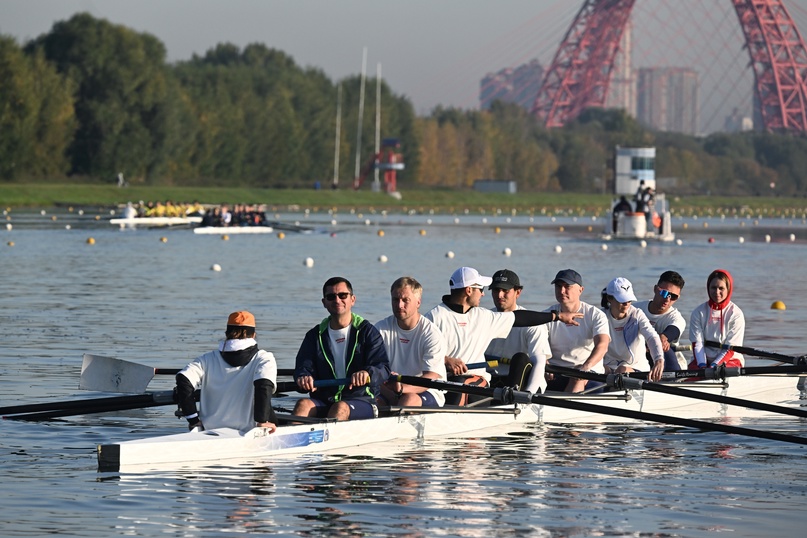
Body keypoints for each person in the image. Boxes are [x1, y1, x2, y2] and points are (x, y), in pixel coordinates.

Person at [424, 266, 580, 405]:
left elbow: (520, 318)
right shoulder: (433, 317)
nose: (485, 295)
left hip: (476, 380)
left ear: (518, 292)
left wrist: (556, 316)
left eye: (505, 290)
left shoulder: (483, 316)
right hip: (444, 379)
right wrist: (445, 360)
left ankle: (512, 403)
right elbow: (418, 352)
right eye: (482, 289)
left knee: (461, 382)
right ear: (469, 290)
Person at [293, 277, 390, 420]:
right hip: (326, 399)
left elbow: (383, 368)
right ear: (324, 302)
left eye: (343, 295)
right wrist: (304, 377)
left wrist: (367, 373)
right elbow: (303, 366)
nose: (337, 300)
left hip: (362, 400)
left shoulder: (367, 332)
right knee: (303, 405)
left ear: (353, 299)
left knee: (340, 408)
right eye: (331, 297)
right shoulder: (314, 336)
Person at [175, 311, 278, 432]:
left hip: (208, 432)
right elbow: (264, 385)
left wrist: (193, 419)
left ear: (227, 334)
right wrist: (262, 421)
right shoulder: (264, 358)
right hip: (248, 432)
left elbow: (183, 379)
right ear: (254, 335)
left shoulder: (207, 359)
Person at [375, 276, 447, 407]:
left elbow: (430, 377)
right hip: (389, 389)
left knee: (408, 400)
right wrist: (392, 395)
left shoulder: (431, 334)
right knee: (373, 403)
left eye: (405, 300)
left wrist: (402, 389)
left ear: (418, 302)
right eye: (395, 300)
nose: (399, 305)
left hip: (427, 390)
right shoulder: (380, 329)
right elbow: (372, 368)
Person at [484, 269, 552, 394]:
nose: (499, 295)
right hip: (490, 380)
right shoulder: (485, 318)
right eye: (496, 290)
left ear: (518, 292)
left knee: (521, 358)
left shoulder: (533, 323)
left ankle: (516, 399)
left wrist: (528, 394)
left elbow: (539, 363)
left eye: (505, 291)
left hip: (522, 381)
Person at [544, 269, 611, 393]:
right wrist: (544, 363)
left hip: (589, 374)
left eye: (567, 286)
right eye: (558, 286)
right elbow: (537, 347)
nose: (562, 291)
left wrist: (585, 367)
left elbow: (602, 345)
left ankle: (566, 409)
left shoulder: (595, 315)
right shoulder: (547, 315)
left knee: (577, 379)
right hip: (555, 372)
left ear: (581, 290)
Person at [600, 277, 664, 382]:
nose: (626, 303)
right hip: (608, 368)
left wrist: (659, 359)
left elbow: (652, 336)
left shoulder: (637, 315)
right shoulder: (600, 316)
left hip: (637, 369)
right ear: (609, 298)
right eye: (622, 299)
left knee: (621, 371)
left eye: (628, 299)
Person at [689, 269, 745, 369]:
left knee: (718, 374)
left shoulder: (736, 314)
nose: (717, 292)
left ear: (728, 289)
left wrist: (714, 366)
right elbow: (697, 344)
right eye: (713, 288)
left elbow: (730, 349)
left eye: (721, 288)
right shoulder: (698, 312)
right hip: (703, 360)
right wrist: (702, 365)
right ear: (708, 288)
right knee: (692, 375)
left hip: (730, 359)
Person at [634, 271, 687, 371]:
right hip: (640, 359)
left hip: (670, 363)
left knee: (659, 344)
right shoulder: (635, 309)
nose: (667, 299)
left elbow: (673, 330)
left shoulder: (677, 319)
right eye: (664, 293)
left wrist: (664, 338)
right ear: (655, 289)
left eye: (673, 296)